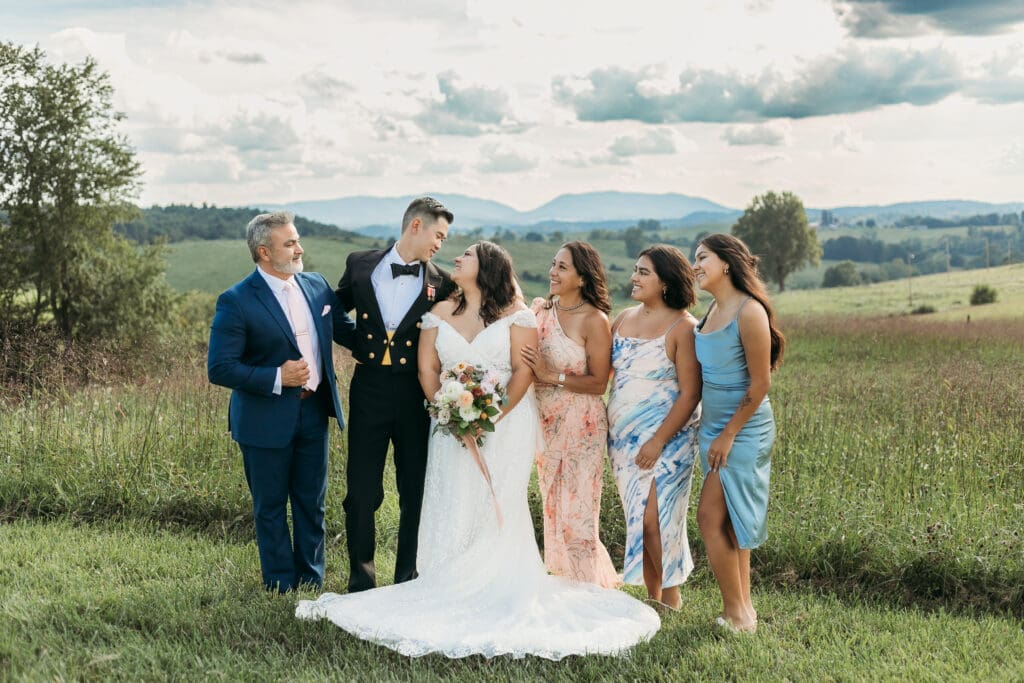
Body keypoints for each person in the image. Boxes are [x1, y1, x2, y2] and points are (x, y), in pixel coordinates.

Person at [297, 242, 660, 659]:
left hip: (504, 427)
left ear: (486, 267)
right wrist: (448, 413)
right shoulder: (438, 311)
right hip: (448, 427)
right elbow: (427, 367)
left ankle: (499, 577)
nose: (456, 259)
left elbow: (524, 370)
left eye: (466, 255)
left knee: (497, 503)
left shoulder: (519, 315)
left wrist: (490, 417)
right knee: (454, 498)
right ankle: (444, 577)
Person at [208, 211, 355, 593]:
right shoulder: (236, 300)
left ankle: (311, 581)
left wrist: (413, 336)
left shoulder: (317, 286)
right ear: (264, 252)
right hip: (263, 419)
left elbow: (349, 333)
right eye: (289, 243)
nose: (299, 249)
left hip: (314, 412)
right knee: (270, 508)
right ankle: (279, 585)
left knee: (313, 503)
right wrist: (277, 377)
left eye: (297, 240)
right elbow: (220, 368)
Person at [334, 196, 457, 593]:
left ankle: (408, 577)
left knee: (414, 486)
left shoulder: (442, 282)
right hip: (368, 386)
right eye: (438, 234)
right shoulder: (360, 264)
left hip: (414, 392)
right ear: (415, 226)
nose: (440, 244)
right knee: (361, 489)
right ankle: (361, 578)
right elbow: (334, 311)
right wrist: (361, 345)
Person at [693, 233, 784, 634]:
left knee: (709, 517)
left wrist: (728, 434)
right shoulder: (710, 309)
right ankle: (743, 610)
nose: (695, 265)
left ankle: (736, 613)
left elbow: (760, 385)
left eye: (702, 257)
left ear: (726, 263)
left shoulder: (749, 312)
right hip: (712, 427)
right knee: (730, 522)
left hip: (743, 429)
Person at [607, 245, 702, 611]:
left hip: (668, 441)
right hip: (622, 444)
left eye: (644, 272)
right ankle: (653, 598)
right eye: (635, 270)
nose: (634, 277)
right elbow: (604, 374)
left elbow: (691, 394)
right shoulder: (623, 318)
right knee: (639, 521)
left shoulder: (684, 327)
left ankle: (670, 600)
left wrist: (658, 441)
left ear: (666, 281)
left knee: (658, 522)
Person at [521, 241, 618, 587]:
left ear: (582, 277)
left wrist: (552, 376)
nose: (553, 272)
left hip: (582, 423)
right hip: (545, 423)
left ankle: (586, 587)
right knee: (552, 507)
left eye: (563, 267)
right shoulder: (539, 312)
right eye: (553, 264)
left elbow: (598, 382)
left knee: (577, 512)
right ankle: (562, 582)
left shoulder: (594, 320)